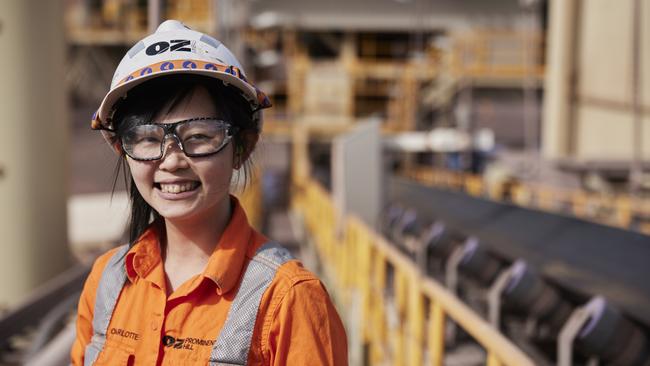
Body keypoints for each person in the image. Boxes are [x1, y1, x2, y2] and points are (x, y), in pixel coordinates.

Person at [71, 20, 348, 365]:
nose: (172, 161)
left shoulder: (289, 299)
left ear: (242, 147)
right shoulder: (107, 281)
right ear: (122, 149)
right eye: (147, 138)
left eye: (200, 136)